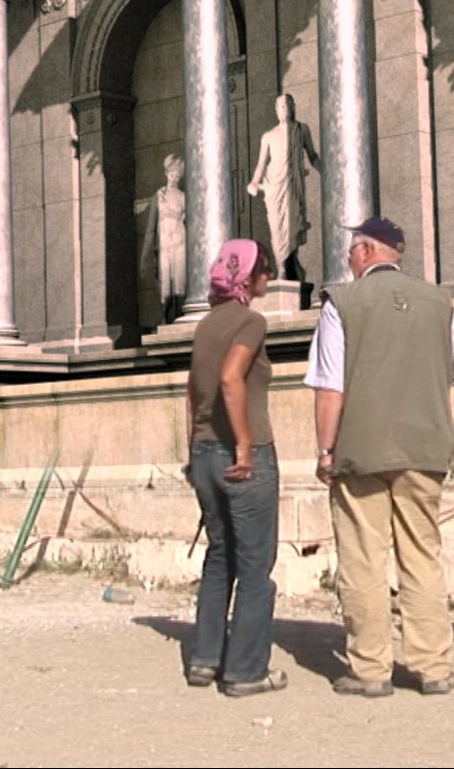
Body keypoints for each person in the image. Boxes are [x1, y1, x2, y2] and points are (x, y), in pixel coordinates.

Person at [306, 216, 454, 697]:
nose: (348, 257)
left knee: (363, 558)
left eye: (351, 248)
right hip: (425, 447)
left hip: (361, 449)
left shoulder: (341, 301)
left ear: (366, 251)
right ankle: (432, 666)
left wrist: (325, 450)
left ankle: (369, 668)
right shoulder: (439, 302)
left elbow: (330, 385)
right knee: (422, 555)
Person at [183, 238, 287, 698]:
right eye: (265, 269)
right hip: (242, 455)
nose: (269, 276)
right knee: (254, 563)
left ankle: (205, 658)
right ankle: (245, 670)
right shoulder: (251, 321)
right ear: (249, 277)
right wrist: (244, 444)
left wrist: (193, 449)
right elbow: (230, 377)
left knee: (219, 556)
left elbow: (191, 391)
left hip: (204, 451)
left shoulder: (205, 324)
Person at [245, 93, 320, 281]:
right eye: (280, 106)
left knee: (292, 227)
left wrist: (328, 172)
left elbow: (313, 156)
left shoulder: (302, 130)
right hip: (273, 187)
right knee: (276, 229)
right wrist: (254, 182)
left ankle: (290, 267)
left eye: (287, 106)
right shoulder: (268, 136)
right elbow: (261, 164)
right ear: (276, 110)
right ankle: (283, 268)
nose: (284, 109)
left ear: (293, 107)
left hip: (293, 187)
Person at [142, 153, 188, 325]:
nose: (174, 177)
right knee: (164, 286)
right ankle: (165, 318)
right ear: (166, 173)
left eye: (178, 174)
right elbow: (150, 228)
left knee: (179, 283)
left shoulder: (183, 197)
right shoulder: (159, 195)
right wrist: (144, 257)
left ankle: (177, 318)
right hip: (164, 245)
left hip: (179, 242)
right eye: (172, 173)